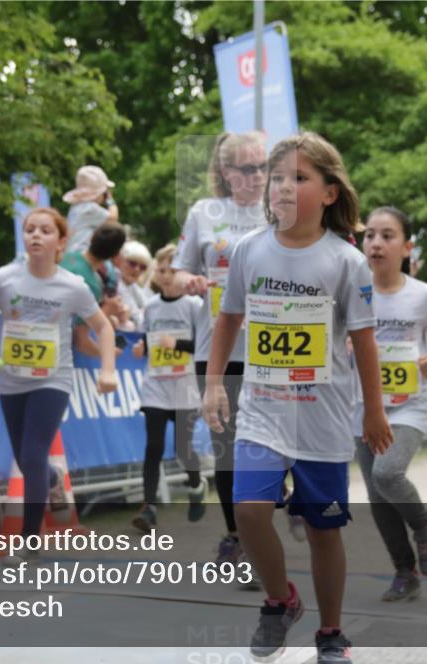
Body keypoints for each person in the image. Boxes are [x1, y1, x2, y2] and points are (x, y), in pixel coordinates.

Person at [203, 132, 392, 664]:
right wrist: (215, 382)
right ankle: (279, 600)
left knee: (322, 527)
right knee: (250, 512)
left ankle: (331, 633)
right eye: (278, 177)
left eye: (300, 178)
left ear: (329, 192)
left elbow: (363, 340)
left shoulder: (345, 261)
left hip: (322, 417)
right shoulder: (249, 249)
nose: (284, 187)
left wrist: (373, 411)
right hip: (262, 410)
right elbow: (228, 319)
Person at [0, 207, 118, 563]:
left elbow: (104, 327)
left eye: (45, 231)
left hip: (53, 380)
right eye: (30, 229)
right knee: (27, 461)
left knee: (34, 454)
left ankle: (28, 539)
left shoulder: (72, 285)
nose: (36, 235)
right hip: (12, 380)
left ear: (61, 242)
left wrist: (108, 369)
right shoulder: (6, 278)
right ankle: (52, 479)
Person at [170, 131, 269, 566]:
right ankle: (238, 538)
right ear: (226, 173)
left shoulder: (279, 211)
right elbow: (173, 276)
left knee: (272, 445)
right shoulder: (204, 213)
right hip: (219, 351)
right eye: (248, 168)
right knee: (227, 452)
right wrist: (188, 282)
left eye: (265, 167)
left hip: (273, 351)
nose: (259, 177)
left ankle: (278, 501)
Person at [355, 206, 427, 603]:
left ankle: (424, 523)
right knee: (377, 495)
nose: (376, 243)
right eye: (370, 236)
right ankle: (404, 571)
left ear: (407, 247)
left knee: (388, 473)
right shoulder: (352, 290)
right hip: (360, 404)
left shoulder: (423, 294)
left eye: (387, 236)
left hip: (409, 403)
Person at [130, 244, 207, 531]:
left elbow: (204, 346)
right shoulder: (150, 306)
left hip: (185, 386)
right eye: (161, 270)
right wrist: (142, 347)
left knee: (183, 449)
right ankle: (148, 507)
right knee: (153, 446)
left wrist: (177, 345)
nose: (165, 276)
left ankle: (197, 486)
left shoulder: (194, 306)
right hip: (156, 386)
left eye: (172, 271)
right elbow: (150, 341)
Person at [60, 223, 130, 347]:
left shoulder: (64, 258)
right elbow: (80, 339)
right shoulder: (90, 285)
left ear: (91, 238)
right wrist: (107, 310)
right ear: (116, 254)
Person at [62, 165, 119, 254]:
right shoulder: (90, 208)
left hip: (70, 255)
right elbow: (113, 220)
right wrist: (111, 201)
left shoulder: (76, 207)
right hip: (80, 255)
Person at [116, 240, 152, 331]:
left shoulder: (133, 286)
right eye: (132, 263)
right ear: (120, 261)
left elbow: (149, 310)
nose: (137, 269)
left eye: (142, 267)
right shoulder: (116, 282)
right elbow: (138, 319)